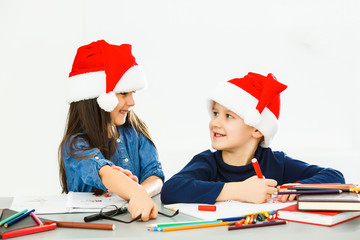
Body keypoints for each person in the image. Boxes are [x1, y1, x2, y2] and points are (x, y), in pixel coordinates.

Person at [160, 72, 345, 205]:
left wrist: (299, 187)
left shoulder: (276, 162)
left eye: (228, 116)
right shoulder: (207, 162)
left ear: (257, 129)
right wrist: (238, 190)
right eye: (215, 113)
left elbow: (335, 176)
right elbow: (171, 189)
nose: (215, 122)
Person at [59, 40, 164, 221]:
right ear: (99, 99)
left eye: (133, 94)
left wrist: (139, 195)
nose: (132, 102)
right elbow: (103, 172)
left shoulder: (136, 133)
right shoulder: (75, 144)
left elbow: (155, 176)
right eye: (123, 93)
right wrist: (135, 193)